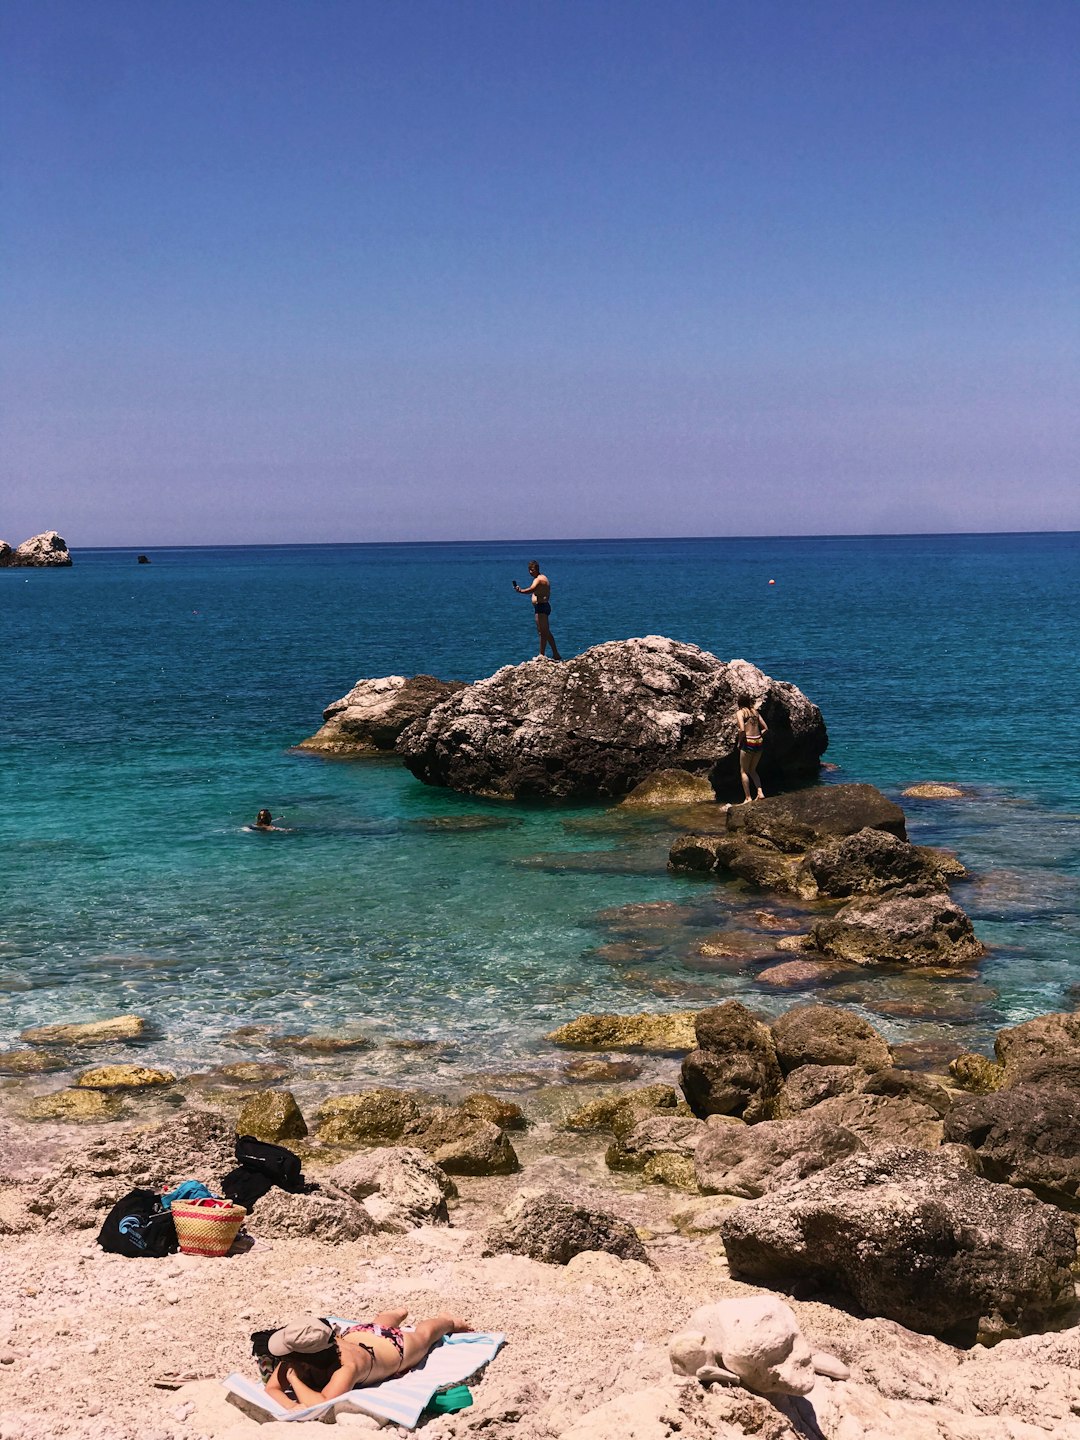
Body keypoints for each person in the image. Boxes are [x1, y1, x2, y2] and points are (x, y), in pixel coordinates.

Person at [260, 1311, 473, 1411]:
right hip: (359, 1334)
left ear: (304, 1357)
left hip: (393, 1347)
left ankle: (447, 1321)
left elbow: (322, 1403)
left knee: (424, 1337)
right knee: (378, 1326)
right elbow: (272, 1388)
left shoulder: (347, 1368)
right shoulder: (298, 1357)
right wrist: (290, 1405)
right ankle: (394, 1315)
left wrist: (295, 1382)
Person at [513, 561, 561, 659]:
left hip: (541, 607)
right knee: (546, 632)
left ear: (535, 570)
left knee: (542, 632)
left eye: (532, 570)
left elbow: (532, 589)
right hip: (543, 606)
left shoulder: (538, 580)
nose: (530, 572)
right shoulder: (542, 577)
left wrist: (520, 591)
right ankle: (556, 654)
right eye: (530, 570)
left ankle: (542, 654)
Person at [735, 692, 768, 803]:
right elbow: (765, 728)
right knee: (753, 770)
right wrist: (758, 736)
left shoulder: (740, 713)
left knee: (744, 771)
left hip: (748, 742)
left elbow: (742, 730)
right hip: (758, 741)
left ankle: (748, 797)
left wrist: (740, 742)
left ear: (739, 702)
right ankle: (760, 792)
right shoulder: (755, 712)